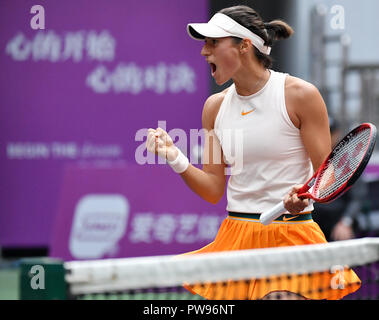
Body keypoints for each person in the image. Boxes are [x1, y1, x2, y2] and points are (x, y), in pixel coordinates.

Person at [146, 5, 360, 300]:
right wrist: (174, 157)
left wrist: (305, 195)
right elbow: (212, 189)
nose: (203, 52)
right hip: (236, 237)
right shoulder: (214, 107)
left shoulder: (300, 95)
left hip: (291, 234)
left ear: (243, 46)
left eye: (213, 43)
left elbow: (329, 173)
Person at [313, 117, 369, 241]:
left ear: (336, 134)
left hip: (337, 223)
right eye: (321, 132)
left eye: (329, 133)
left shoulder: (349, 163)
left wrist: (345, 222)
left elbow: (357, 197)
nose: (325, 137)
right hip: (312, 223)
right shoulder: (307, 161)